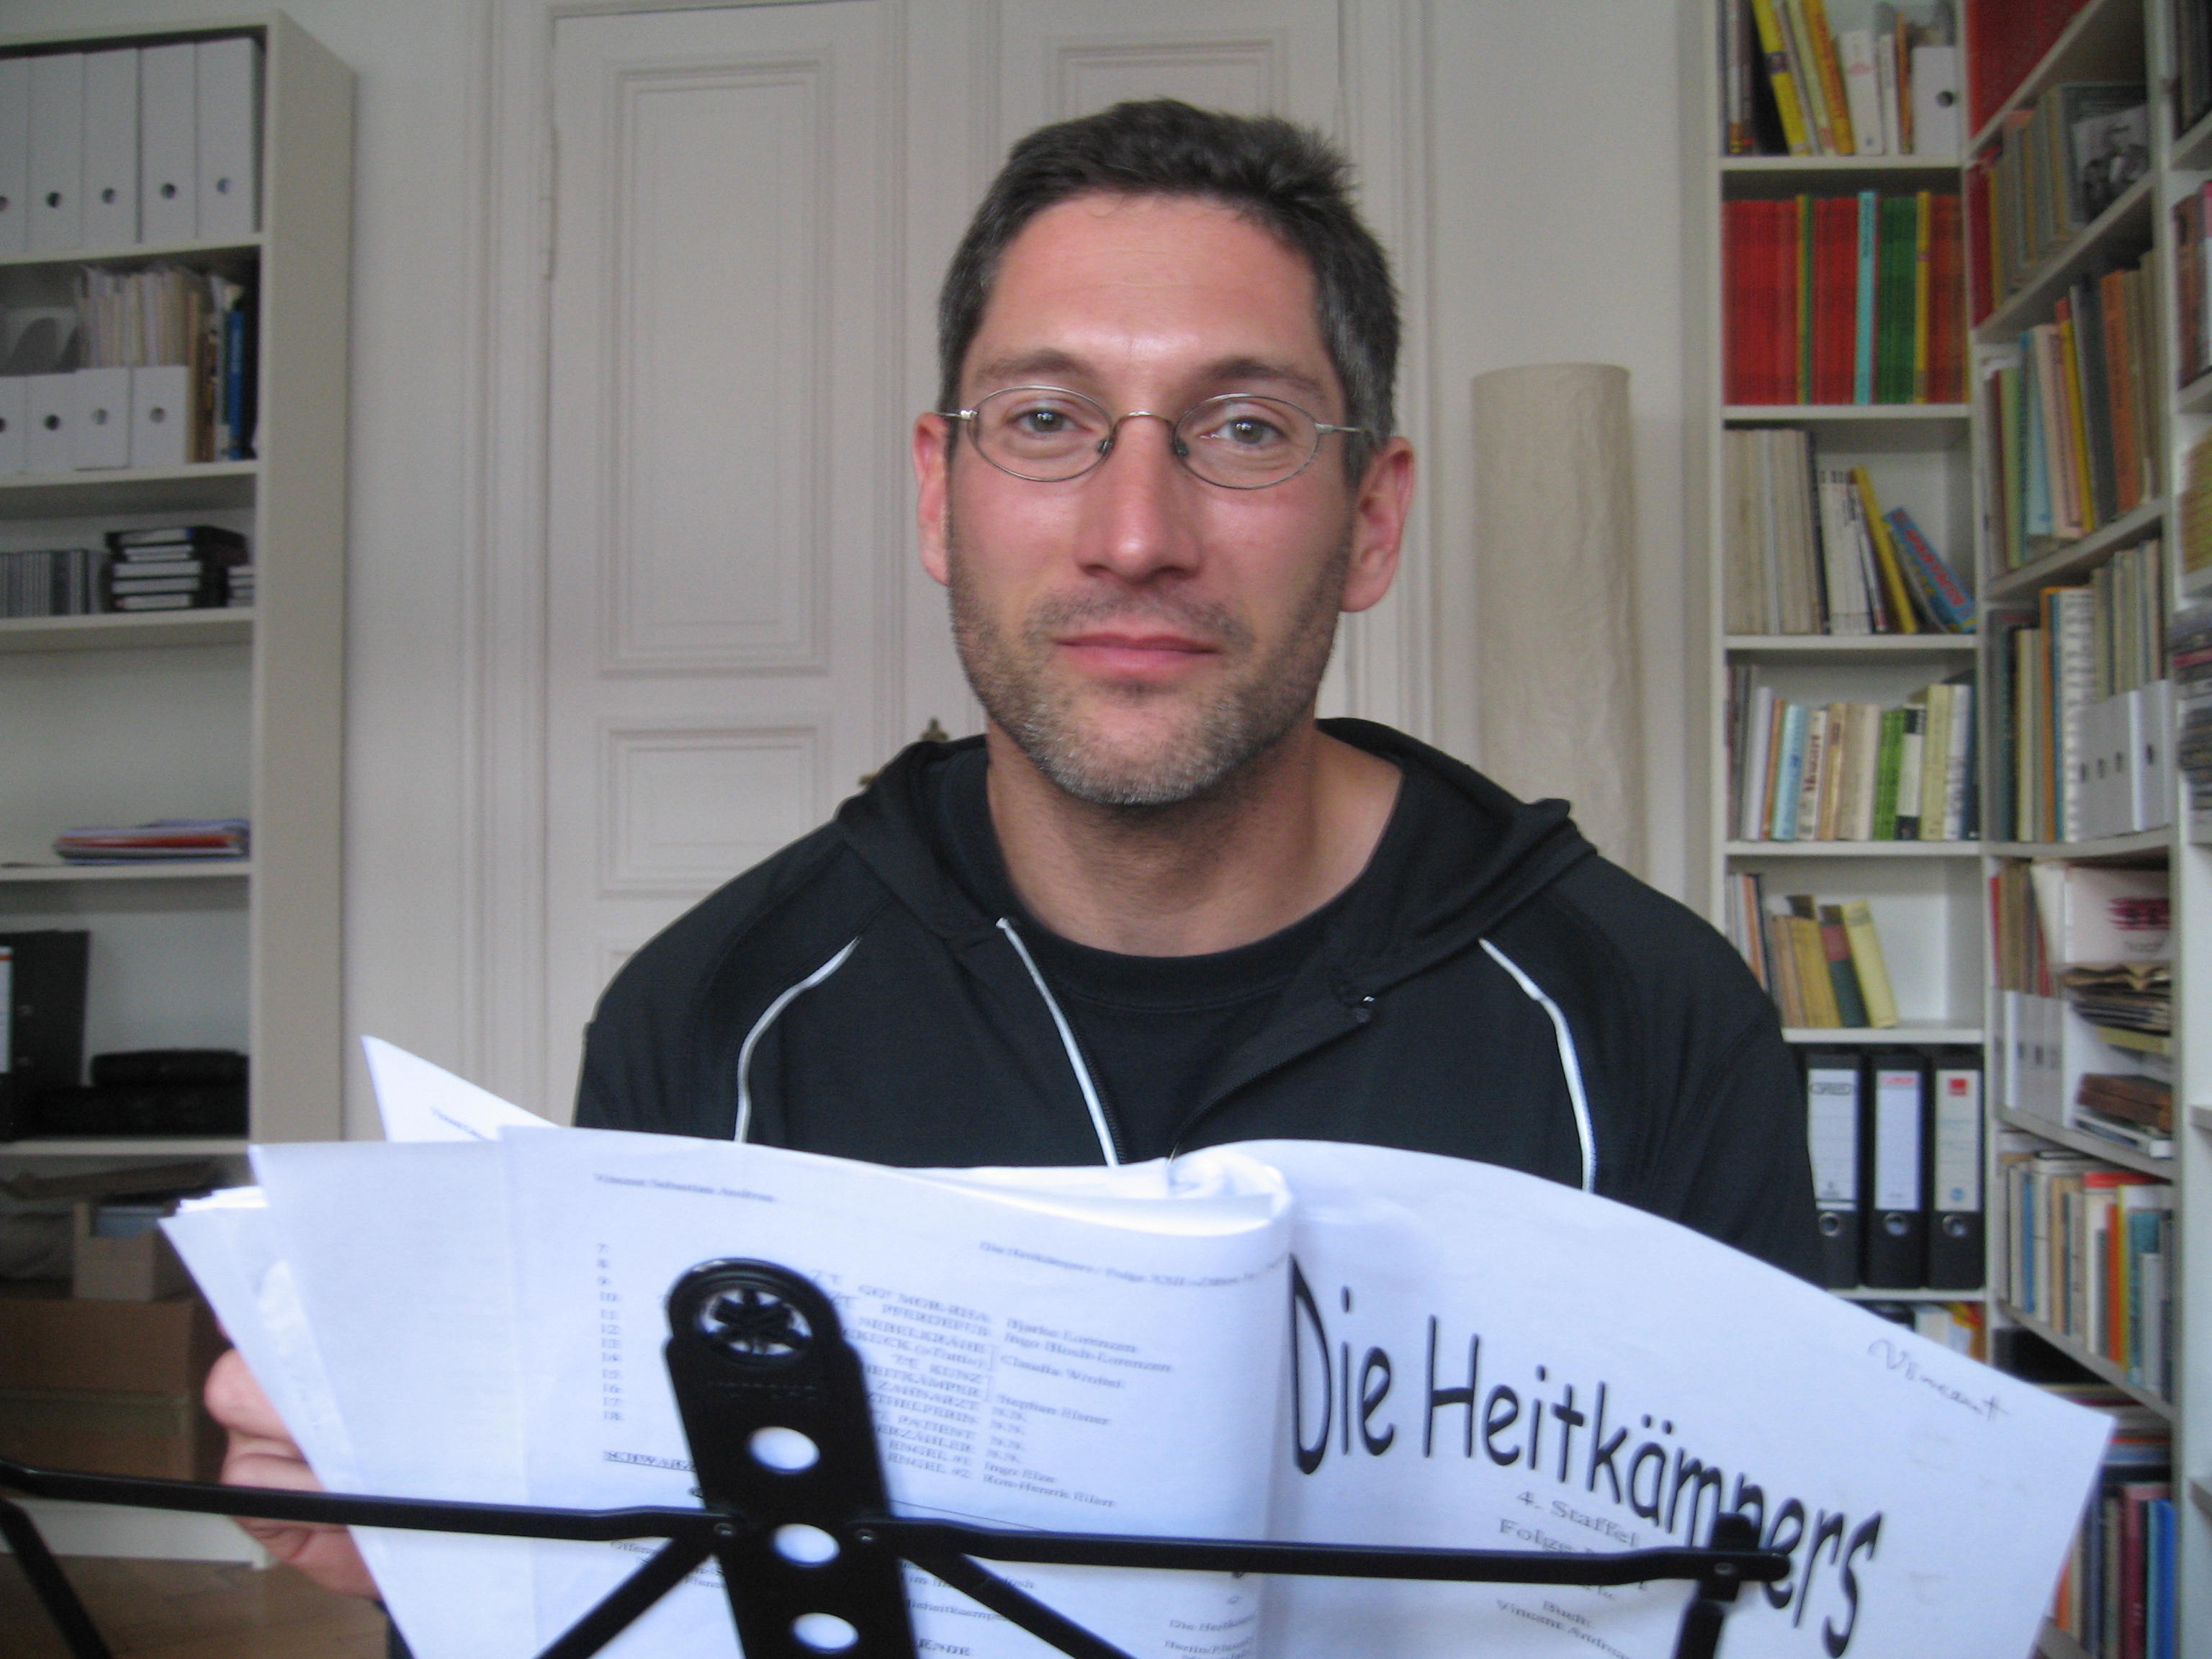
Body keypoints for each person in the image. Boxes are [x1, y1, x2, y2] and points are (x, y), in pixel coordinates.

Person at [206, 99, 1820, 1612]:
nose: (1137, 534)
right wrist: (457, 1565)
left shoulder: (1650, 1018)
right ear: (939, 495)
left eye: (1246, 428)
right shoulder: (712, 1017)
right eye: (1046, 421)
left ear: (1372, 519)